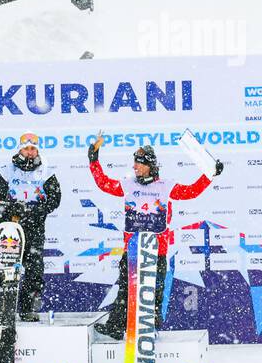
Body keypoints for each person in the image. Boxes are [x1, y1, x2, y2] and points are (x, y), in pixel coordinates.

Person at [86, 132, 223, 339]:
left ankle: (149, 329)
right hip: (132, 249)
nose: (134, 167)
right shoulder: (128, 184)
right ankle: (116, 327)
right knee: (125, 290)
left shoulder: (166, 186)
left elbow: (191, 192)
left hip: (157, 251)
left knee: (153, 293)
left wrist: (209, 175)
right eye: (134, 163)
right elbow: (103, 183)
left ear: (150, 165)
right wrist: (94, 160)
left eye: (139, 164)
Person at [0, 132, 61, 321]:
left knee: (34, 269)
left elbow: (55, 199)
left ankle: (28, 307)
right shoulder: (7, 169)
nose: (30, 152)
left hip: (35, 227)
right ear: (19, 149)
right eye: (26, 148)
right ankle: (3, 307)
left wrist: (34, 211)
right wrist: (14, 209)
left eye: (33, 149)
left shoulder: (46, 170)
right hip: (11, 226)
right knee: (6, 266)